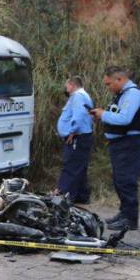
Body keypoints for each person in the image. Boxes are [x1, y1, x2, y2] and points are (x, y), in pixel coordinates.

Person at [90, 66, 140, 230]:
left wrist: (103, 114)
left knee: (126, 180)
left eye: (109, 84)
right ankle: (124, 213)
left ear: (119, 80)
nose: (108, 88)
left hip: (129, 143)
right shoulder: (122, 95)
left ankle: (130, 219)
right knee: (119, 180)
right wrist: (102, 115)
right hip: (120, 144)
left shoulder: (133, 94)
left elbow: (124, 119)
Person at [55, 76, 94, 204]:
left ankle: (63, 196)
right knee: (80, 166)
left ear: (72, 85)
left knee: (71, 165)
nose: (66, 89)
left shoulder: (78, 96)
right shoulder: (83, 95)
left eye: (67, 86)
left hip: (77, 136)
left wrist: (72, 131)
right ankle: (82, 196)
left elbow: (79, 115)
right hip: (82, 136)